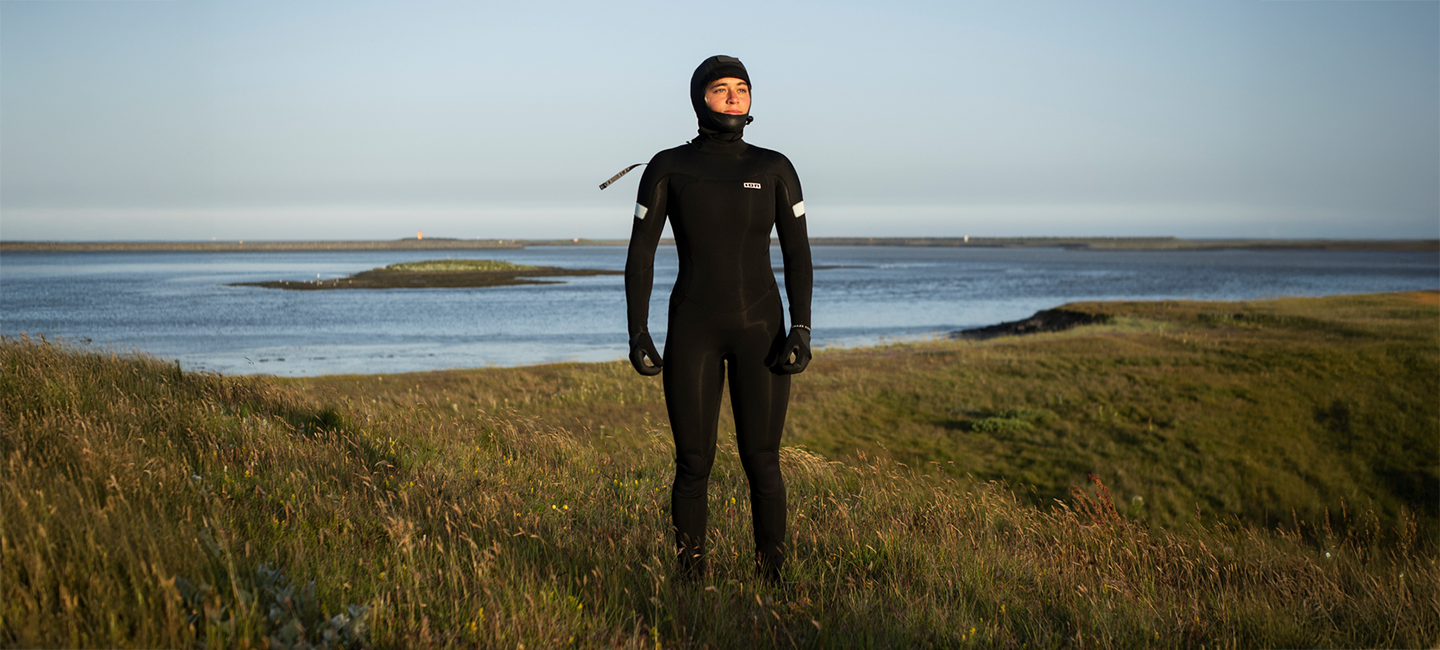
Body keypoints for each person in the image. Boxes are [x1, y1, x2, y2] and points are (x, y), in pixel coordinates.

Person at [624, 55, 813, 585]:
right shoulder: (668, 167)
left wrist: (801, 328)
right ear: (699, 98)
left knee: (764, 462)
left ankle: (773, 585)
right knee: (692, 464)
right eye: (721, 88)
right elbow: (641, 255)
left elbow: (798, 254)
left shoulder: (774, 167)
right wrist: (637, 330)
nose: (733, 96)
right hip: (693, 330)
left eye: (742, 88)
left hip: (762, 332)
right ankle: (689, 583)